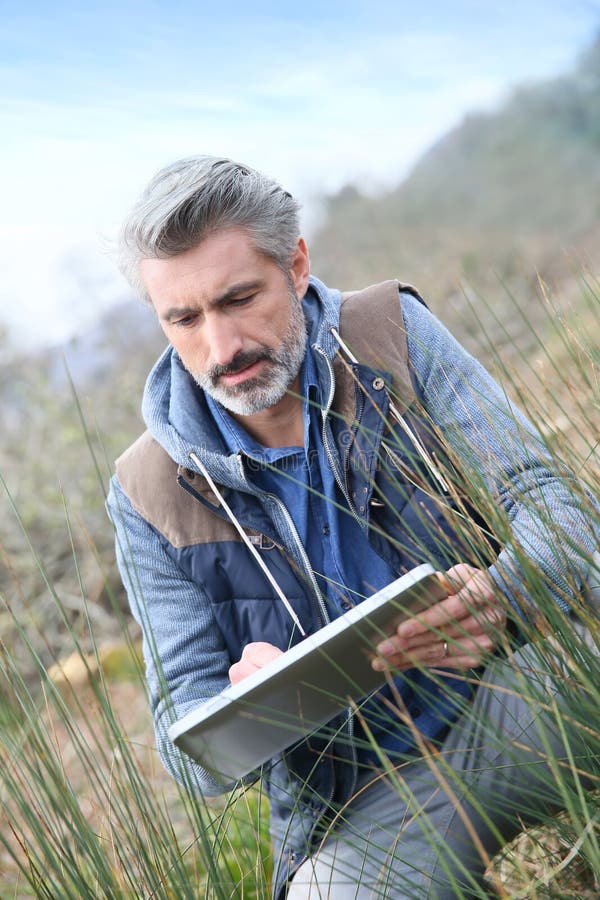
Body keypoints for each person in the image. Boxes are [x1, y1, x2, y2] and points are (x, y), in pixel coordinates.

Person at [107, 155, 599, 899]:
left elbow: (555, 509)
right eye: (184, 318)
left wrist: (506, 594)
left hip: (518, 691)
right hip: (361, 803)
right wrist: (252, 710)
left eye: (240, 298)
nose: (222, 346)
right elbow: (187, 747)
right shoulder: (144, 492)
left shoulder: (390, 332)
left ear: (296, 265)